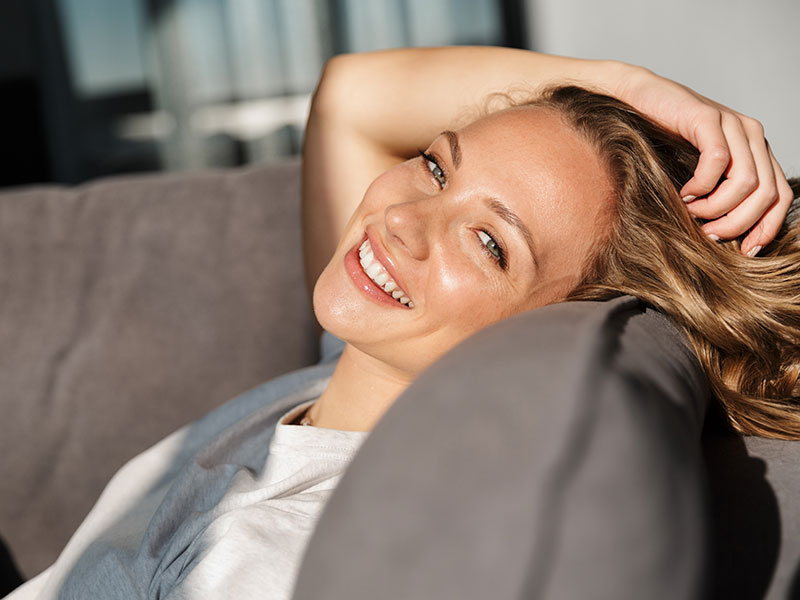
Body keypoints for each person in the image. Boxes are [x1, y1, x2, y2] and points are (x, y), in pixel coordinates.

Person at [5, 46, 797, 599]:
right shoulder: (351, 369)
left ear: (543, 329)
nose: (405, 222)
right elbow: (353, 97)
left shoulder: (276, 565)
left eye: (490, 243)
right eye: (436, 164)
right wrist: (626, 84)